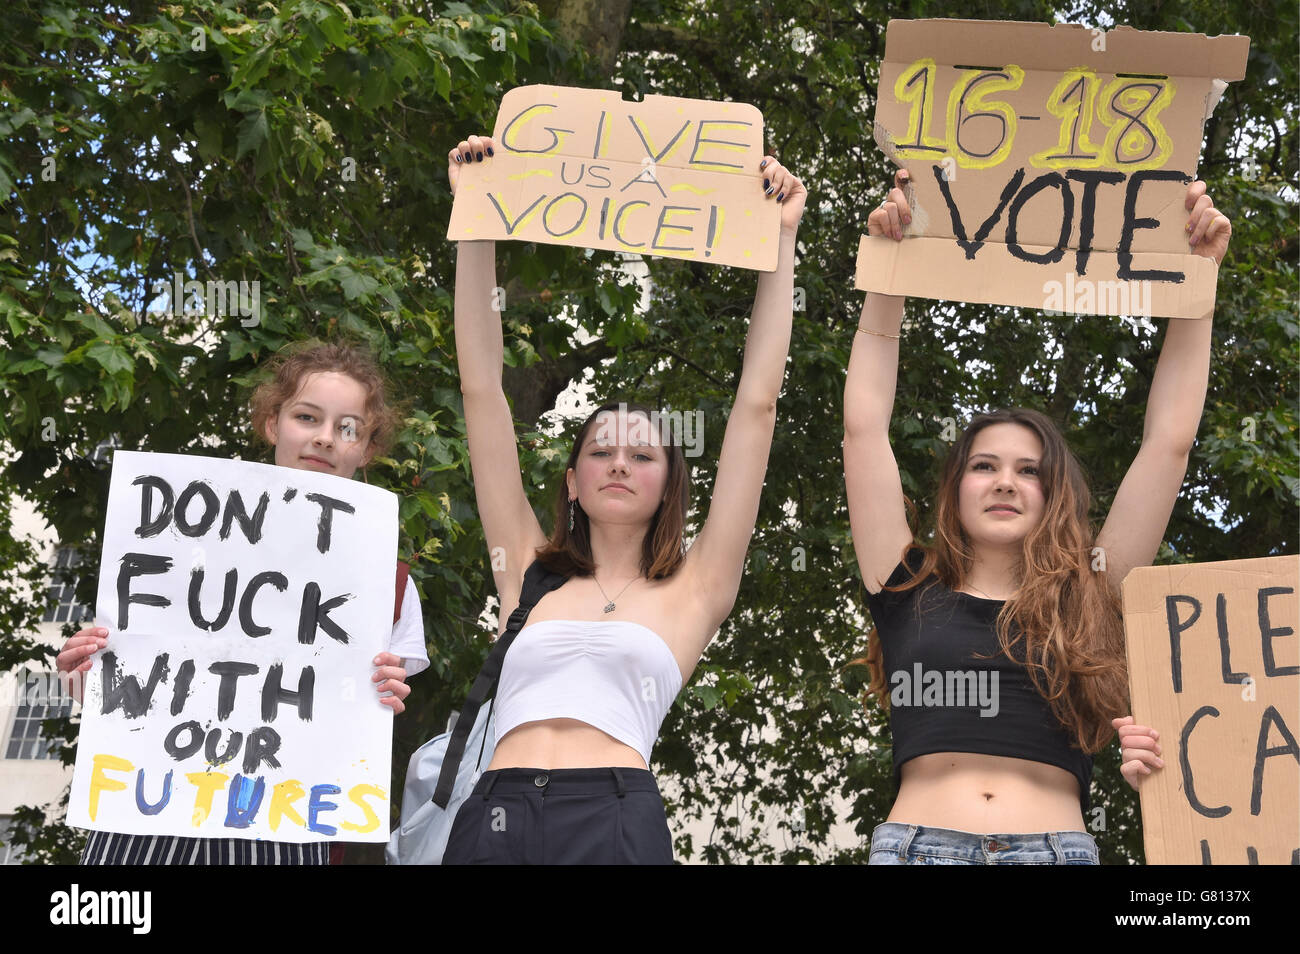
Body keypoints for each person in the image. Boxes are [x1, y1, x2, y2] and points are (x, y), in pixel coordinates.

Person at [846, 169, 1229, 865]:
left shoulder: (1093, 589)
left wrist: (1197, 280)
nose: (1005, 483)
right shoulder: (902, 587)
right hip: (918, 848)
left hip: (1055, 850)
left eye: (1030, 471)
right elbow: (863, 429)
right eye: (985, 466)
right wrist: (889, 267)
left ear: (1053, 496)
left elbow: (1169, 441)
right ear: (956, 488)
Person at [444, 133, 805, 864]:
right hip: (496, 812)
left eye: (643, 454)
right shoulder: (527, 571)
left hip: (613, 816)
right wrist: (474, 219)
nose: (618, 464)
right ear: (571, 481)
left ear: (670, 483)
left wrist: (781, 241)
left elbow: (757, 405)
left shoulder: (698, 588)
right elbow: (482, 393)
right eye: (600, 451)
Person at [57, 341, 429, 864]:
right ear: (272, 424)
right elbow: (125, 694)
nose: (325, 438)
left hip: (285, 831)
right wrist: (83, 674)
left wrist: (386, 692)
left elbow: (367, 718)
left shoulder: (385, 584)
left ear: (367, 448)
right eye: (306, 417)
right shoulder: (170, 537)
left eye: (348, 427)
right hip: (144, 826)